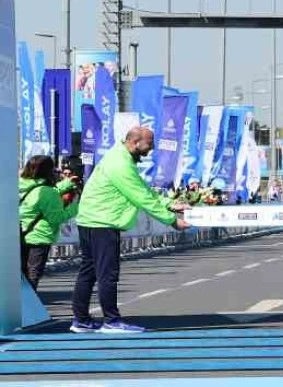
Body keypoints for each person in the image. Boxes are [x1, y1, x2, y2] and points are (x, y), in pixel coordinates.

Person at [70, 127, 191, 334]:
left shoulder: (119, 158)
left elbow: (141, 189)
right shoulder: (120, 164)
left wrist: (169, 203)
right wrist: (172, 220)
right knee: (107, 274)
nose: (152, 147)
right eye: (149, 142)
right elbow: (141, 196)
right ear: (135, 142)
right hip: (103, 222)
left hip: (91, 220)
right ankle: (111, 321)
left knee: (88, 272)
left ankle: (81, 320)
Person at [18, 156, 80, 290]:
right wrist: (76, 207)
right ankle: (27, 308)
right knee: (32, 276)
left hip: (19, 234)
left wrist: (66, 184)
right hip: (39, 237)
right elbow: (56, 217)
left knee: (20, 276)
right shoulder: (47, 192)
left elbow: (38, 191)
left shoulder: (21, 185)